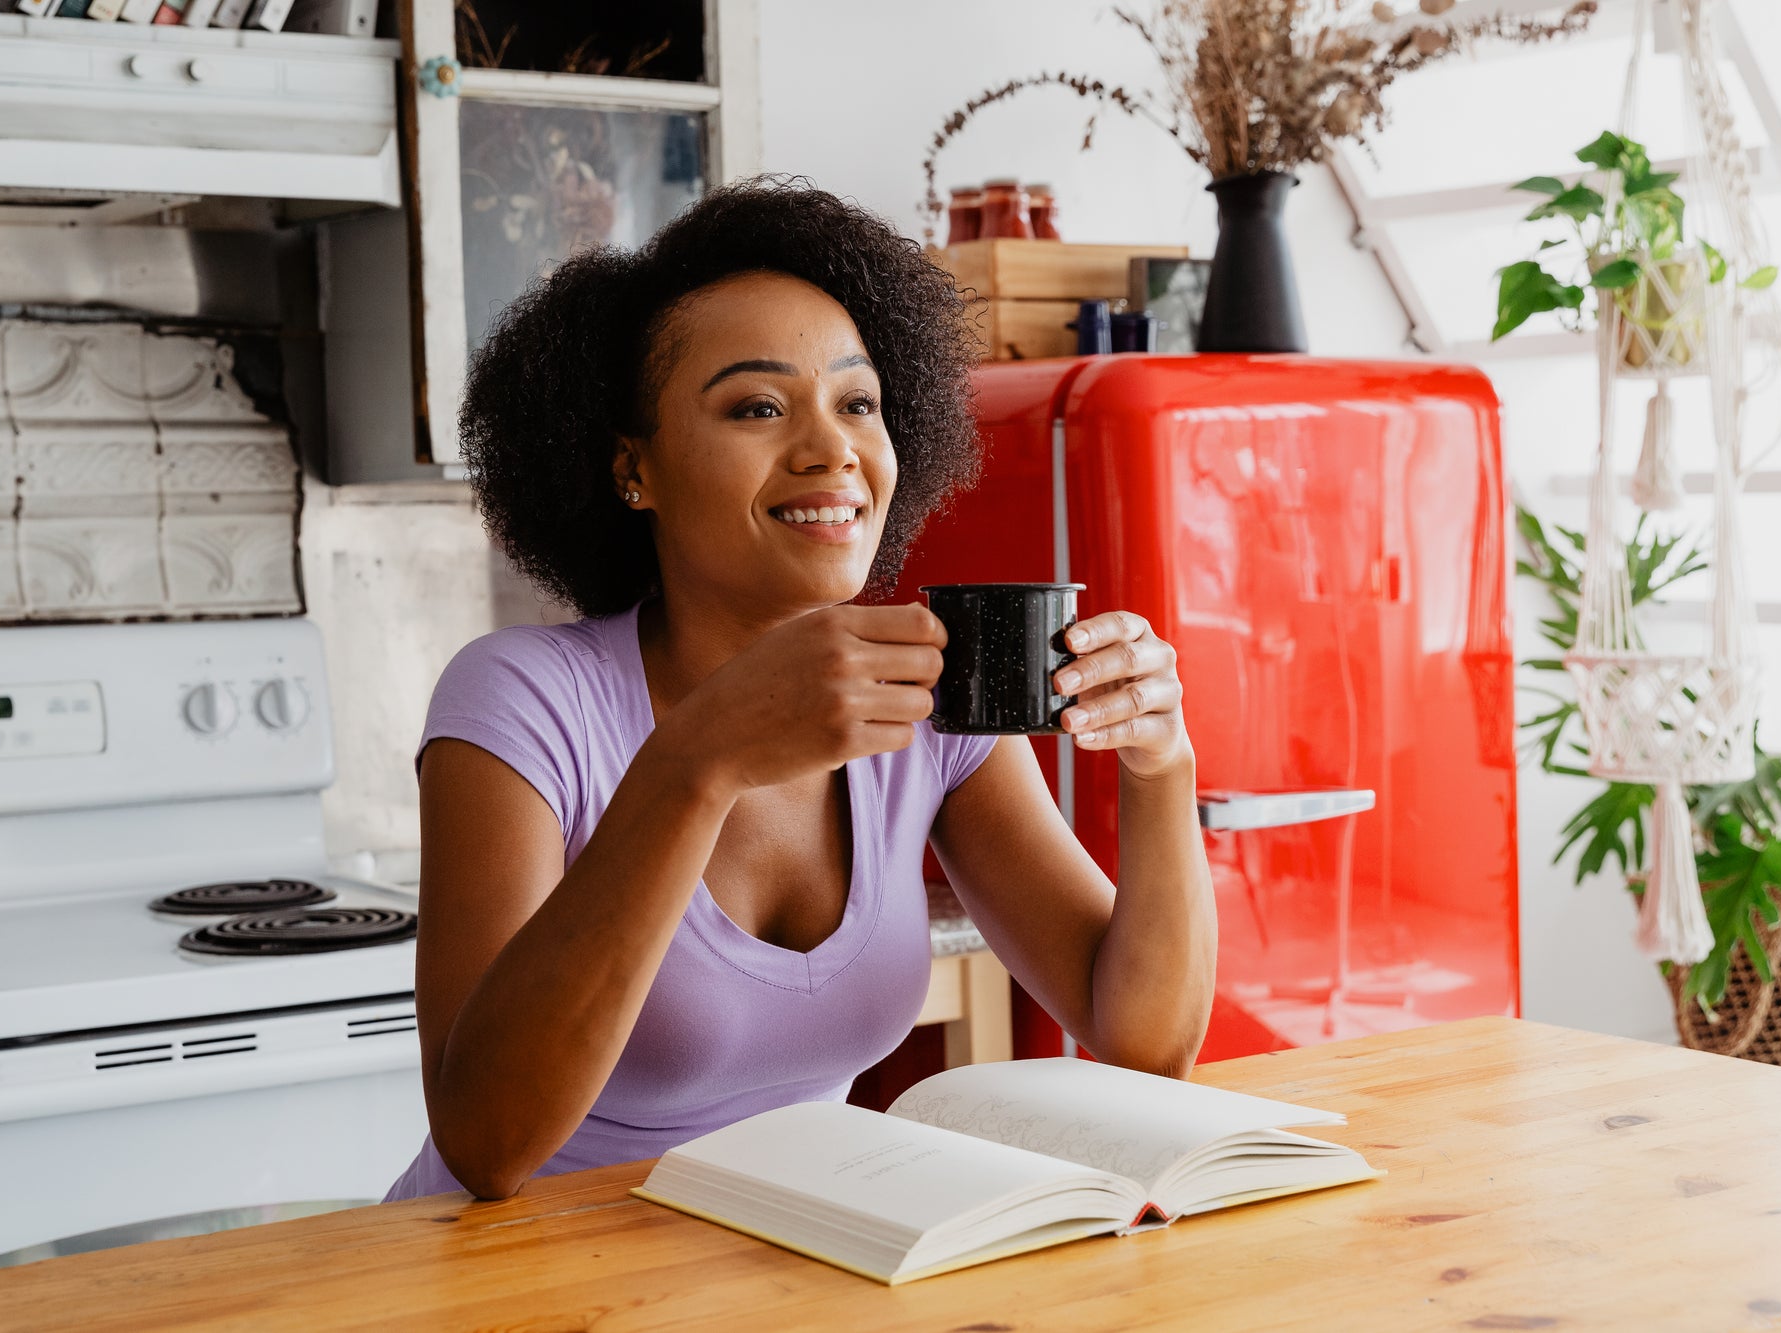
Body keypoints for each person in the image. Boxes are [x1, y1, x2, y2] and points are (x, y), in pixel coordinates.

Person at [384, 177, 1217, 1202]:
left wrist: (1160, 763)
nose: (831, 450)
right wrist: (699, 758)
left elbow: (1144, 1041)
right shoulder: (521, 700)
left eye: (857, 403)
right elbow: (485, 1141)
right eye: (758, 406)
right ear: (628, 468)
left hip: (785, 1266)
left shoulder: (930, 694)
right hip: (517, 1290)